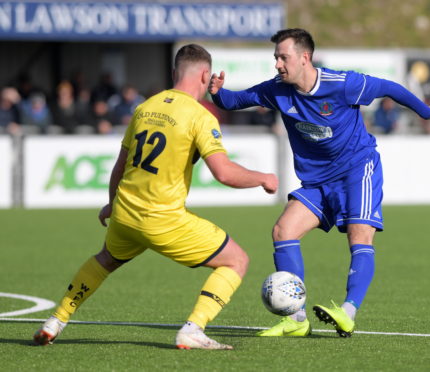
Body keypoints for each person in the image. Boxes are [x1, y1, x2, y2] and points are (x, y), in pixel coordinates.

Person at [33, 44, 278, 350]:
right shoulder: (199, 117)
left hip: (125, 212)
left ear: (175, 73)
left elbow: (119, 167)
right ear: (205, 75)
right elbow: (224, 173)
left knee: (105, 260)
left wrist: (112, 203)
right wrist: (264, 178)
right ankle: (193, 328)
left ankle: (55, 321)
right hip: (162, 218)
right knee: (236, 260)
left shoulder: (145, 107)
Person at [209, 28, 430, 338]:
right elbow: (236, 100)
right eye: (276, 57)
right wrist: (217, 92)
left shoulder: (343, 84)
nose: (278, 64)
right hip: (318, 181)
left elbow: (388, 87)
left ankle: (347, 312)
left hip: (358, 169)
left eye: (283, 57)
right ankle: (296, 318)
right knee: (283, 231)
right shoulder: (277, 90)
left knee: (359, 238)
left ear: (305, 57)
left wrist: (425, 111)